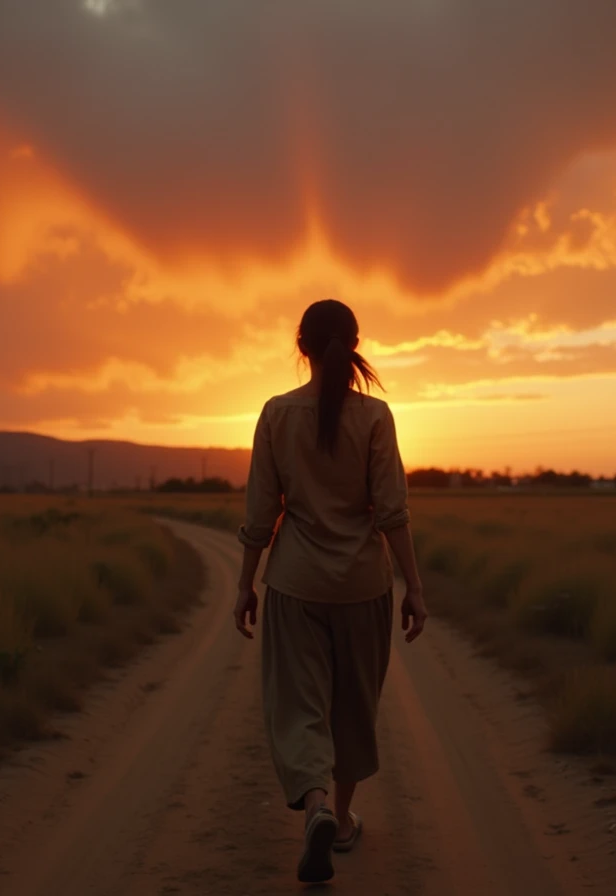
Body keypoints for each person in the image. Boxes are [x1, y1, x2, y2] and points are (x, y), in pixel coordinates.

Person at [234, 299, 427, 884]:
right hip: (364, 587)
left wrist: (245, 583)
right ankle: (340, 821)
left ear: (302, 345)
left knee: (301, 706)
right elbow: (392, 511)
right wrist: (414, 587)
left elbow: (261, 511)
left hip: (295, 583)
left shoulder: (275, 413)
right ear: (354, 342)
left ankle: (314, 805)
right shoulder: (375, 416)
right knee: (352, 705)